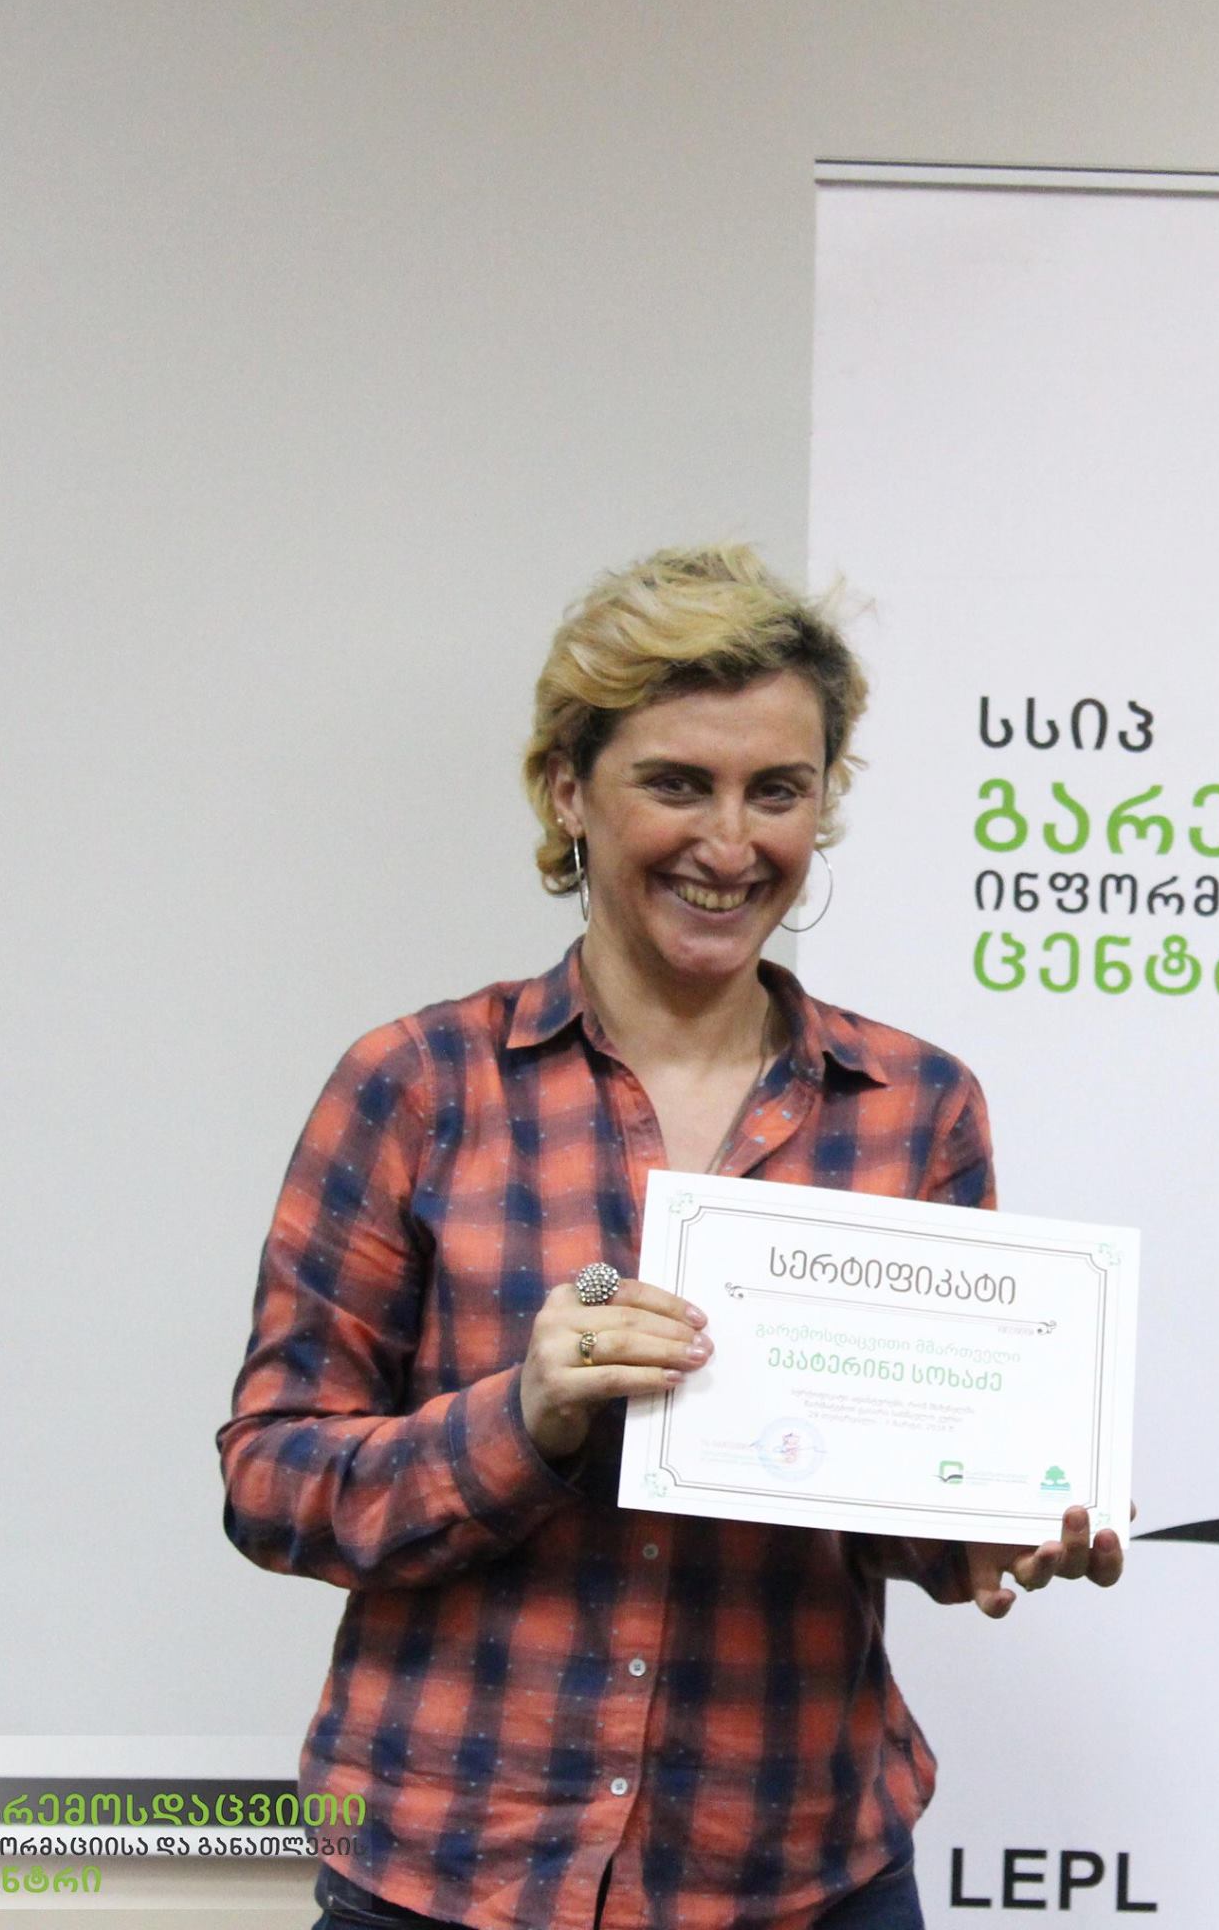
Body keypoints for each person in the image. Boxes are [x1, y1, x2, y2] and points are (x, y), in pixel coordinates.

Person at [217, 545, 1124, 1930]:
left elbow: (906, 1499)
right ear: (566, 790)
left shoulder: (914, 1107)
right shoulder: (417, 1086)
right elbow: (272, 1481)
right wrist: (522, 1421)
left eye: (779, 791)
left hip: (797, 1873)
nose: (731, 843)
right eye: (678, 784)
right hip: (454, 1866)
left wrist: (999, 1525)